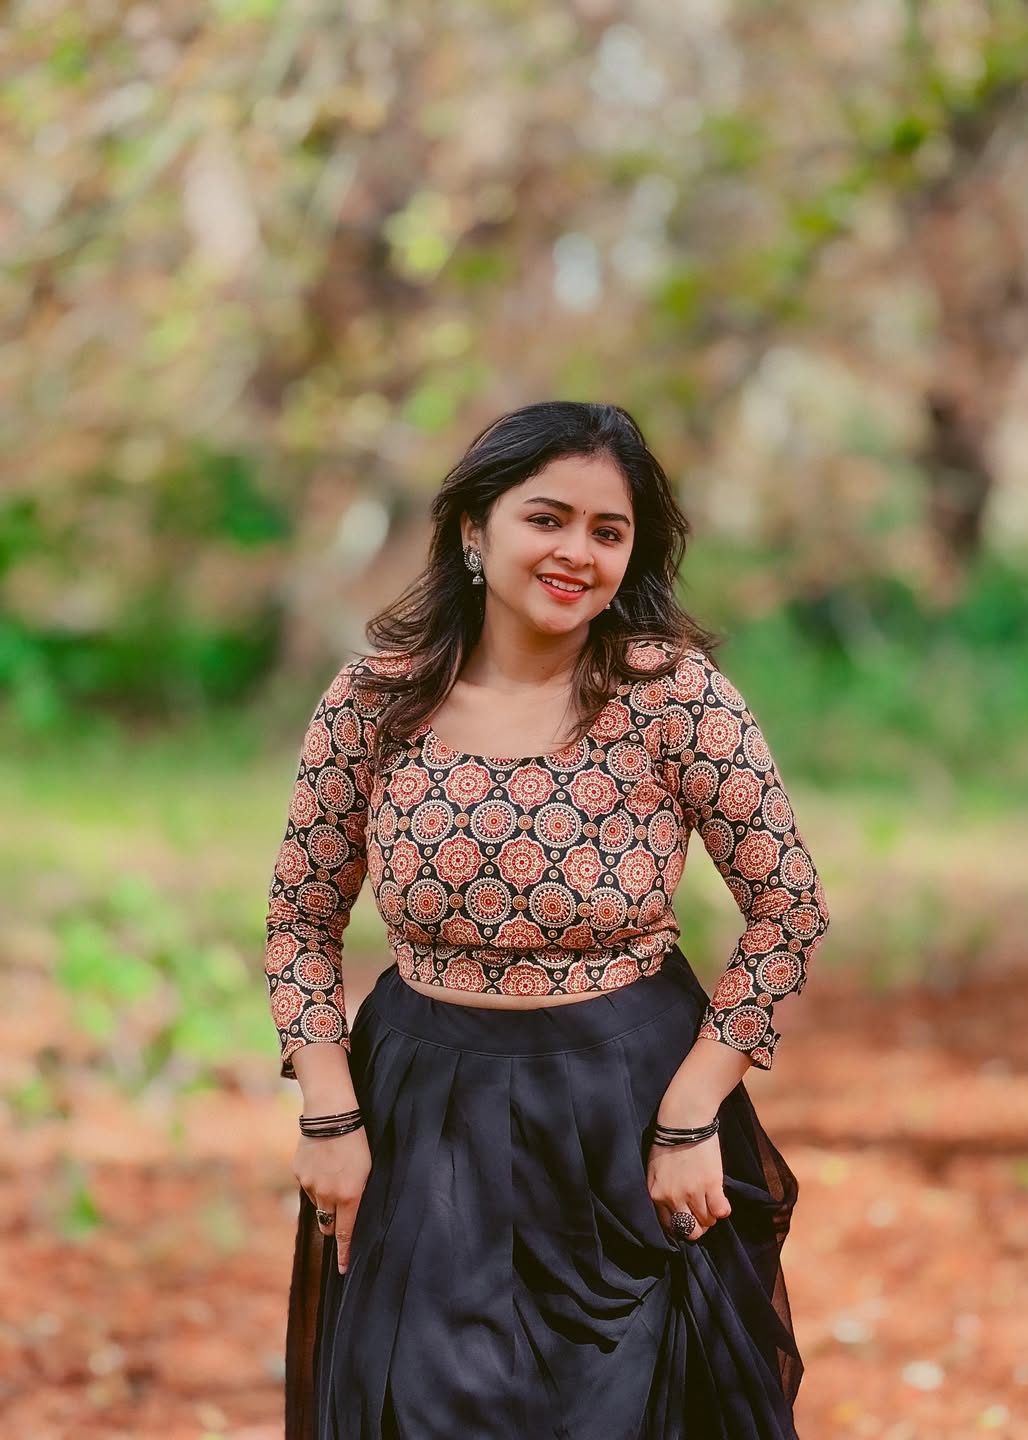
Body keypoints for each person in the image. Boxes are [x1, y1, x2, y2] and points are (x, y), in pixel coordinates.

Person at [264, 401, 830, 1440]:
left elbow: (787, 905)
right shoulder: (373, 701)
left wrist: (694, 1113)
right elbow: (300, 920)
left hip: (628, 1107)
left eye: (608, 532)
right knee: (421, 1409)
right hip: (420, 1118)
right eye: (547, 518)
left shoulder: (675, 699)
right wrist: (331, 1117)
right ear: (474, 532)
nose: (578, 552)